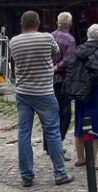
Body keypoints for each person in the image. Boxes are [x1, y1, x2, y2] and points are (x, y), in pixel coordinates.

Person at [8, 10, 74, 187]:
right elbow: (56, 52)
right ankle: (60, 173)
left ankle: (27, 176)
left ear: (21, 25)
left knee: (24, 133)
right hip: (44, 92)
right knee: (52, 132)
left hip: (23, 93)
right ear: (38, 23)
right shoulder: (46, 38)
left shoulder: (13, 41)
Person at [64, 23, 98, 170]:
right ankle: (93, 161)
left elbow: (71, 68)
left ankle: (80, 158)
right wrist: (87, 85)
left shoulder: (79, 49)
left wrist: (78, 86)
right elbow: (97, 74)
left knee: (80, 123)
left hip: (79, 94)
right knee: (94, 128)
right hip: (94, 94)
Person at [43, 12, 76, 161]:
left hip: (47, 82)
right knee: (64, 115)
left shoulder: (49, 36)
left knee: (49, 114)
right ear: (70, 24)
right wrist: (56, 68)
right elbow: (69, 61)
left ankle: (46, 144)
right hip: (62, 82)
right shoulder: (70, 40)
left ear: (57, 23)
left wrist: (50, 68)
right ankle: (56, 146)